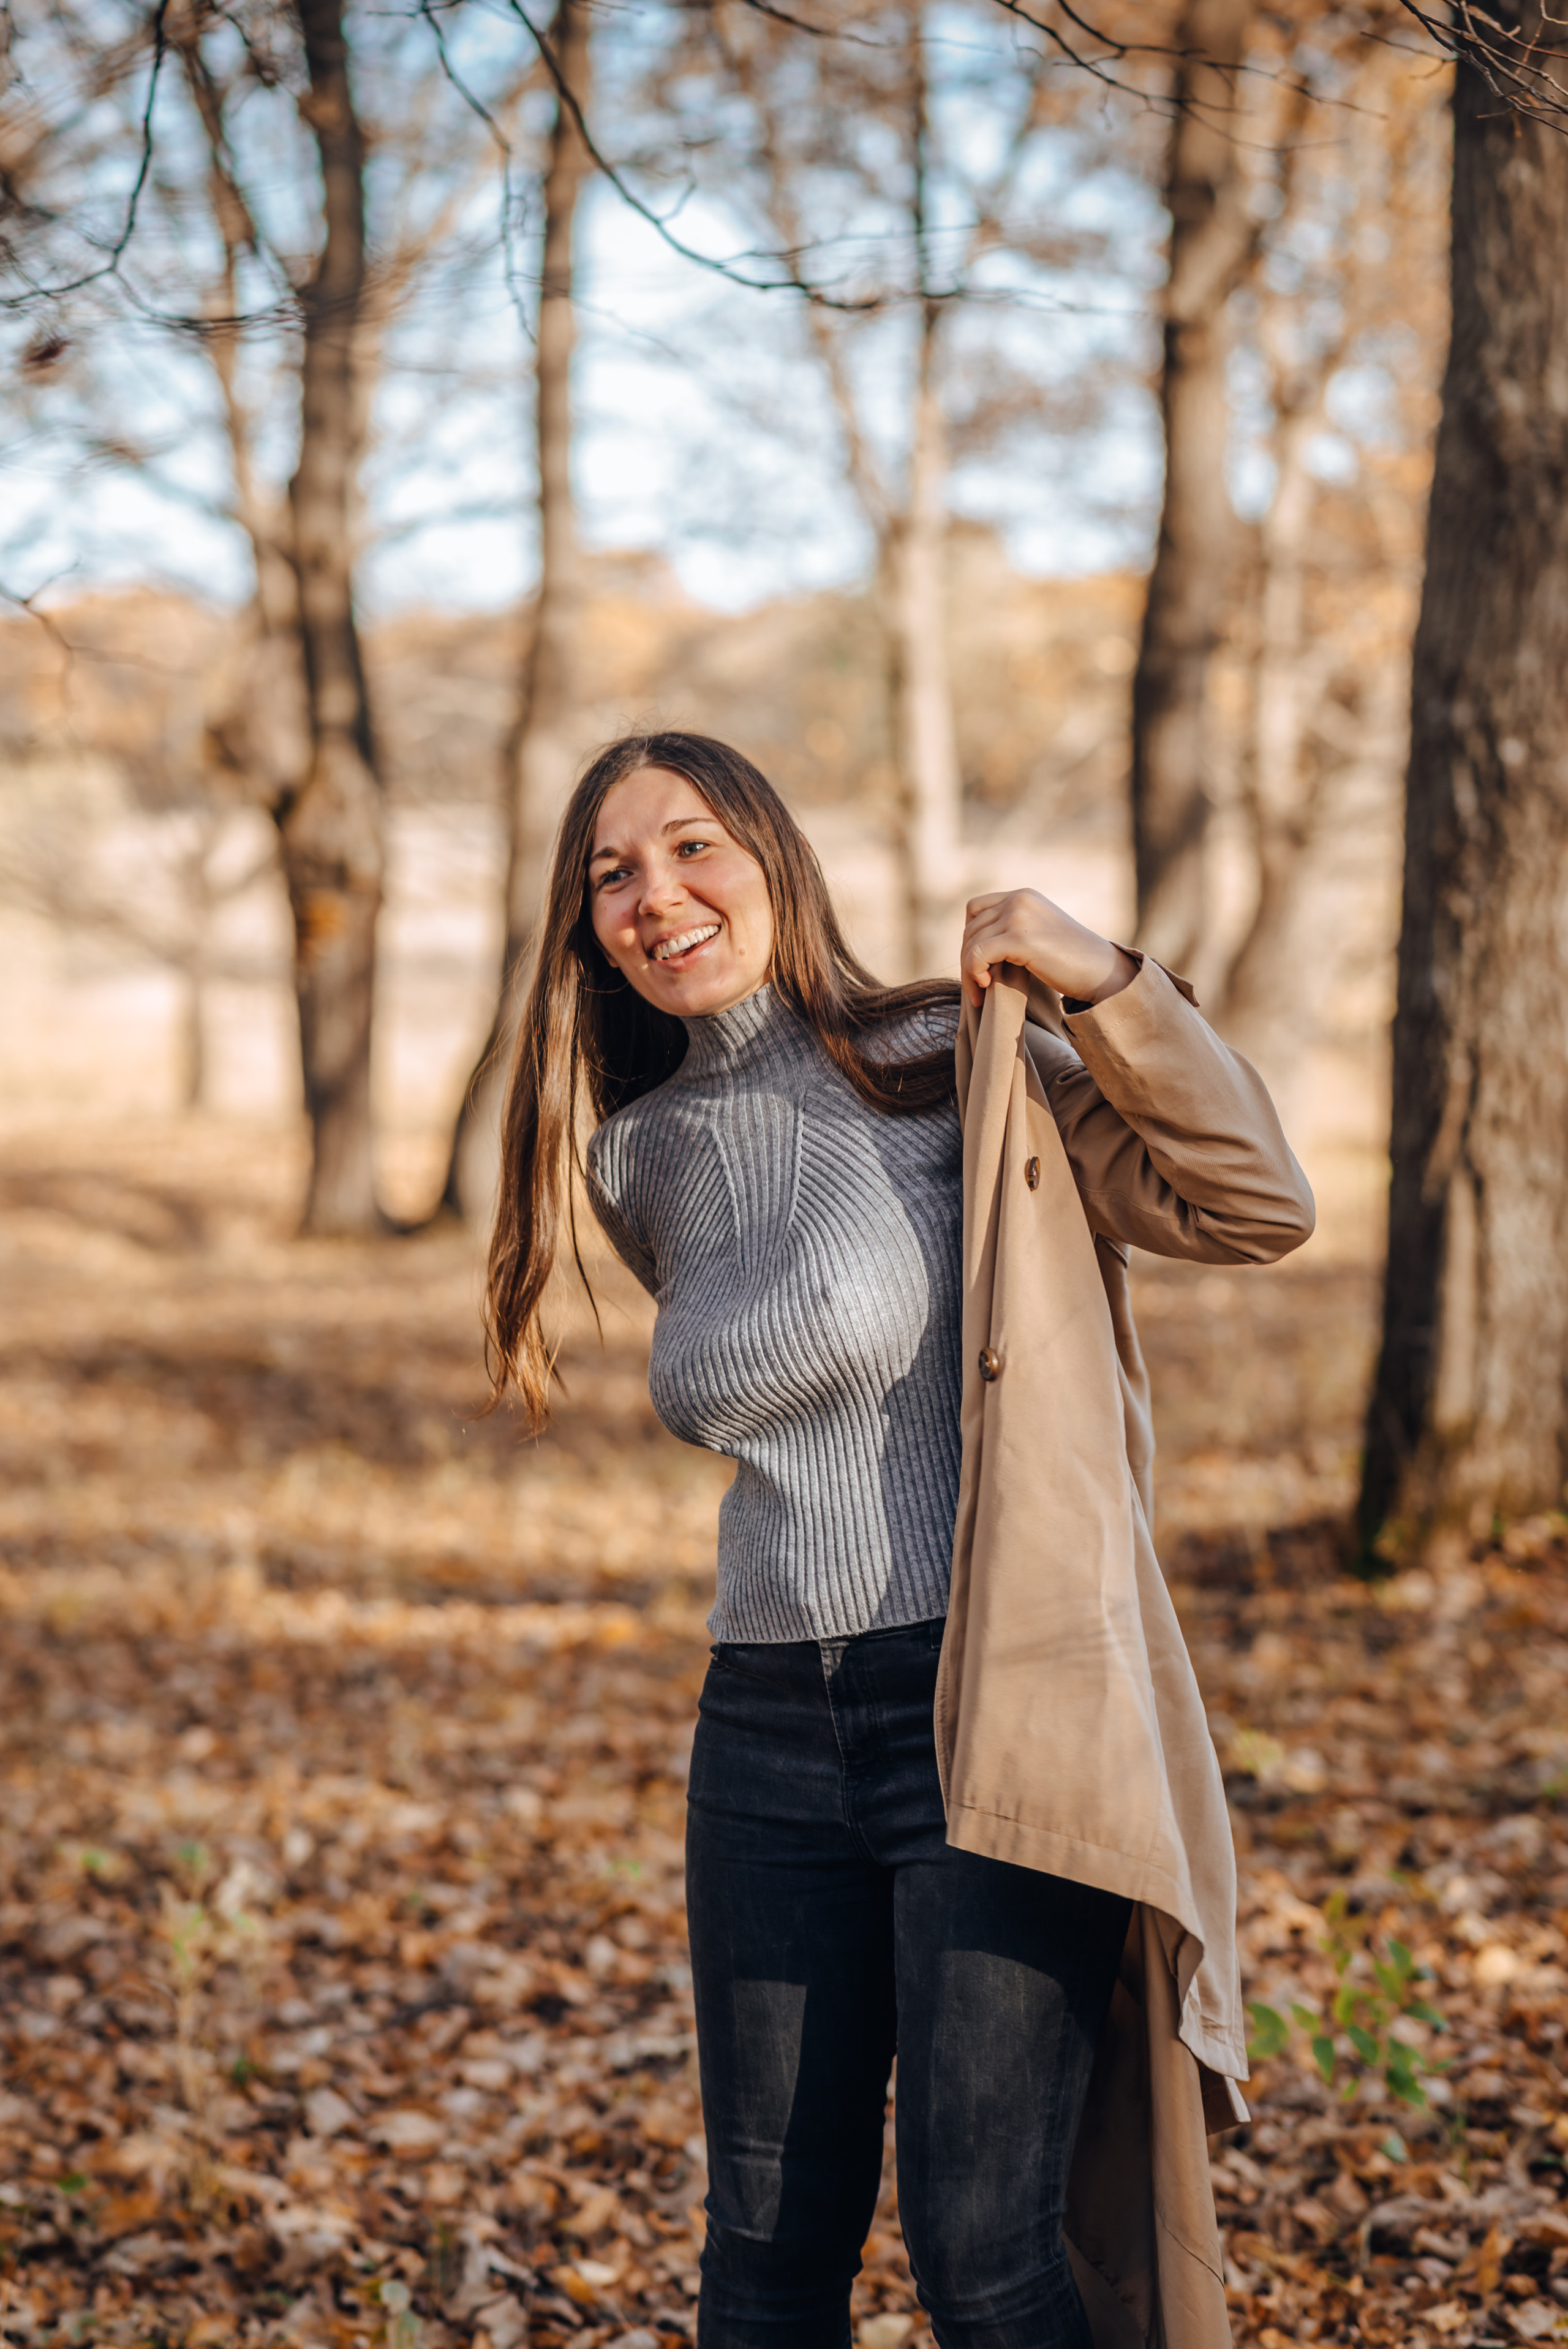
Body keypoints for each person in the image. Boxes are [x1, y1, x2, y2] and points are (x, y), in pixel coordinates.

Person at [485, 731, 1315, 2349]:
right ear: (584, 928)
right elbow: (775, 1387)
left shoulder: (950, 1057)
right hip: (766, 1727)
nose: (659, 895)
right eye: (612, 873)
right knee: (766, 2239)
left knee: (985, 2254)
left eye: (695, 846)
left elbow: (1254, 1200)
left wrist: (1100, 975)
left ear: (778, 859)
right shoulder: (635, 1159)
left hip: (989, 1704)